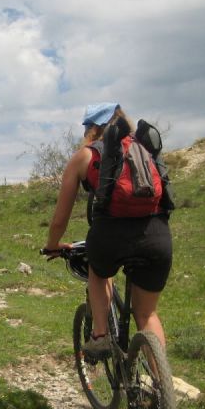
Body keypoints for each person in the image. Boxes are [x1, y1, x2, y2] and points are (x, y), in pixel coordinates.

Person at [43, 103, 172, 357]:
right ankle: (160, 379)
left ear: (92, 128)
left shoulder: (86, 156)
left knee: (98, 272)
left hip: (110, 235)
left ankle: (100, 336)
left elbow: (60, 220)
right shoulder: (145, 147)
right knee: (147, 314)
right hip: (156, 234)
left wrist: (53, 245)